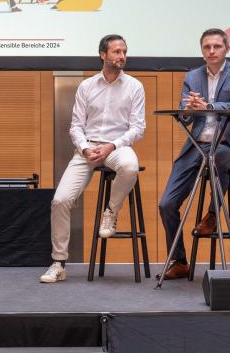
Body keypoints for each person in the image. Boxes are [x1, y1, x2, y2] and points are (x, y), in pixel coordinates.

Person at [40, 34, 145, 283]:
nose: (122, 56)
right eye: (117, 52)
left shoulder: (134, 86)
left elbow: (137, 128)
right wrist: (86, 148)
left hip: (116, 146)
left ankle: (111, 210)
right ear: (103, 55)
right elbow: (76, 126)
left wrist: (111, 146)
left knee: (130, 167)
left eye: (124, 52)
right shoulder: (86, 86)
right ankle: (58, 263)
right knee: (60, 200)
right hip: (87, 149)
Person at [157, 28, 230, 280]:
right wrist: (188, 109)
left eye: (216, 47)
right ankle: (179, 261)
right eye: (206, 47)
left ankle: (212, 214)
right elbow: (185, 117)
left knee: (218, 157)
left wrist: (208, 106)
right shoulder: (192, 76)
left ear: (227, 49)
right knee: (166, 204)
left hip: (227, 146)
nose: (211, 51)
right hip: (196, 145)